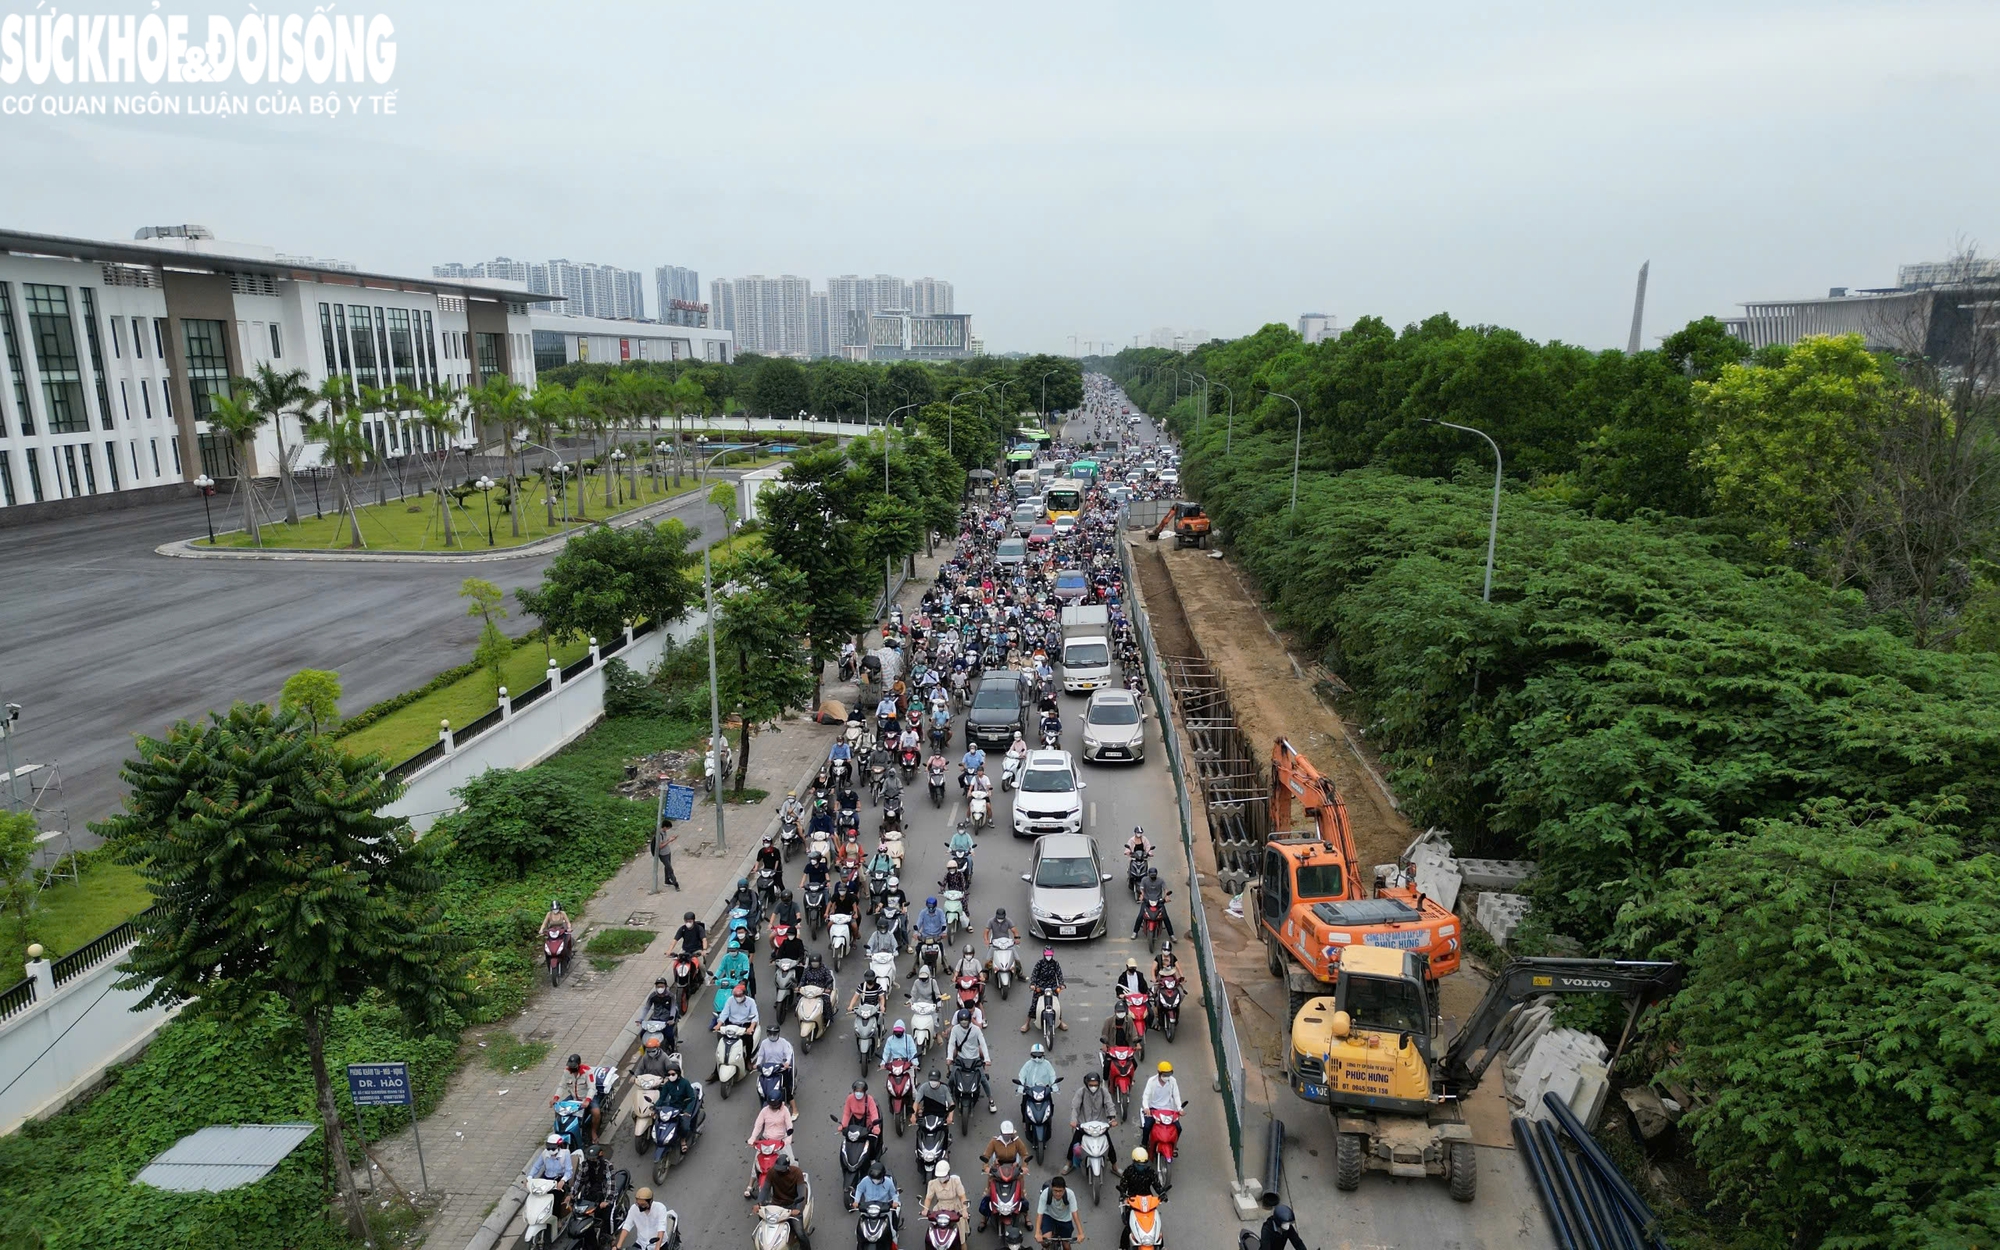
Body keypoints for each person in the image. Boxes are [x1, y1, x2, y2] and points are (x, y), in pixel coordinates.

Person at [759, 1151, 815, 1250]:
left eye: (782, 1170)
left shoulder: (797, 1173)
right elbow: (765, 1189)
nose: (779, 1172)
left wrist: (798, 1209)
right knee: (762, 1225)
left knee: (800, 1233)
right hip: (776, 1206)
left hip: (792, 1206)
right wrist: (759, 1203)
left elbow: (801, 1192)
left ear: (788, 1168)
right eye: (778, 1169)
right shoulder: (772, 1172)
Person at [1065, 1072, 1117, 1173]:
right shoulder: (1081, 1092)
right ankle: (1069, 1162)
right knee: (1074, 1142)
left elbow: (1109, 1105)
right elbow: (1075, 1107)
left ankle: (1115, 1166)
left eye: (1095, 1085)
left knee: (1109, 1145)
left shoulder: (1104, 1092)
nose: (1093, 1087)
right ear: (1086, 1084)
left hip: (1100, 1126)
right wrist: (1074, 1120)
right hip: (1084, 1125)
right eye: (1091, 1085)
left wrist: (1112, 1119)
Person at [948, 1008, 996, 1113]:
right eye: (962, 1021)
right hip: (961, 1058)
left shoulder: (976, 1030)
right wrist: (949, 1057)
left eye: (965, 1021)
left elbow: (983, 1043)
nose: (964, 1023)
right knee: (952, 1078)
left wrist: (987, 1059)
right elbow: (951, 1043)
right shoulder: (955, 1029)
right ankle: (948, 1098)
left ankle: (991, 1100)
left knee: (983, 1079)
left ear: (969, 1020)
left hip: (975, 1059)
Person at [746, 1097, 796, 1197]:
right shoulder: (764, 1111)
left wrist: (787, 1140)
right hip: (766, 1142)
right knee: (757, 1162)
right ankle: (750, 1185)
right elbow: (758, 1126)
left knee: (791, 1161)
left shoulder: (785, 1110)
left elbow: (789, 1126)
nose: (773, 1107)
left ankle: (794, 1184)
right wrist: (752, 1138)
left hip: (780, 1142)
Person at [552, 1052, 601, 1145]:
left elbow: (592, 1088)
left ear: (579, 1065)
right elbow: (562, 1086)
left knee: (596, 1112)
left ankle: (593, 1132)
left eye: (574, 1066)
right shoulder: (566, 1072)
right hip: (574, 1097)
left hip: (586, 1098)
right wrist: (555, 1098)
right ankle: (558, 1131)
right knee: (558, 1109)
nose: (572, 1068)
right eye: (570, 1066)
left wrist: (587, 1100)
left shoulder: (587, 1072)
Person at [655, 1059, 698, 1155]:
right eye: (669, 1074)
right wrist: (655, 1107)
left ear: (678, 1074)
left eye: (673, 1074)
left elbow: (692, 1098)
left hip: (683, 1108)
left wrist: (687, 1111)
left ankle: (683, 1140)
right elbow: (662, 1098)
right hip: (672, 1108)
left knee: (685, 1126)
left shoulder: (685, 1083)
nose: (671, 1076)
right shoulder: (667, 1085)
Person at [613, 1185, 676, 1250]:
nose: (640, 1207)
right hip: (641, 1244)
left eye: (643, 1205)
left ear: (650, 1201)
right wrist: (618, 1246)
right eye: (638, 1204)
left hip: (659, 1245)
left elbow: (661, 1228)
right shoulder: (634, 1209)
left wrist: (657, 1248)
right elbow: (627, 1226)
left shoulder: (660, 1208)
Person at [1023, 948, 1068, 1032]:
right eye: (1047, 954)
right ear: (1044, 954)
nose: (1048, 956)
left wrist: (1061, 984)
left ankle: (1060, 1021)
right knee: (1034, 1005)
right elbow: (1034, 974)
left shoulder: (1055, 964)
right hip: (1040, 986)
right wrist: (1033, 984)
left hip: (1052, 987)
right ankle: (1027, 1023)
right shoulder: (1039, 963)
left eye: (1050, 954)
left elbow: (1059, 974)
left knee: (1056, 1005)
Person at [757, 1022, 798, 1113]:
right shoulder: (764, 1043)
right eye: (770, 1034)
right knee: (762, 1087)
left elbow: (788, 1054)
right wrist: (757, 1064)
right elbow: (760, 1055)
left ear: (778, 1034)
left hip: (780, 1068)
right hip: (768, 1069)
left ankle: (794, 1109)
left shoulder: (783, 1042)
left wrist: (787, 1063)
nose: (772, 1036)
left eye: (774, 1034)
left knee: (787, 1088)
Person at [1138, 1062, 1182, 1147]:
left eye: (1169, 1074)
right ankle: (1144, 1144)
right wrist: (1146, 1108)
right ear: (1159, 1073)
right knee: (1147, 1127)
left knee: (1178, 1128)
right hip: (1154, 1109)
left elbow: (1176, 1095)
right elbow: (1146, 1095)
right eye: (1165, 1075)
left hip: (1168, 1110)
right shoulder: (1151, 1081)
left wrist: (1180, 1108)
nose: (1167, 1077)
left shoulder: (1173, 1081)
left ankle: (1174, 1145)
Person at [1035, 1174, 1084, 1245]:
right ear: (1051, 1188)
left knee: (1066, 1246)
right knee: (1045, 1243)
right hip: (1049, 1216)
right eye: (1055, 1190)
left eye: (1060, 1191)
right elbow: (1040, 1214)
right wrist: (1037, 1233)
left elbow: (1075, 1214)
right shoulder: (1045, 1193)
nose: (1058, 1194)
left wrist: (1081, 1233)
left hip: (1065, 1219)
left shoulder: (1070, 1194)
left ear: (1064, 1189)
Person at [1238, 1204, 1307, 1250]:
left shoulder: (1287, 1228)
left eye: (1289, 1223)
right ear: (1278, 1221)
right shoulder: (1266, 1230)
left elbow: (1297, 1242)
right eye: (1285, 1223)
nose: (1288, 1226)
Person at [924, 1159, 972, 1224]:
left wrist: (964, 1210)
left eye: (943, 1176)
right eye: (939, 1176)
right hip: (940, 1210)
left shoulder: (955, 1181)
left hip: (955, 1209)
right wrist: (925, 1209)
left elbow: (962, 1196)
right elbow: (928, 1198)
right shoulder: (932, 1183)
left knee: (959, 1226)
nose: (941, 1178)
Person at [527, 1132, 573, 1198]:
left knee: (556, 1199)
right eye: (548, 1148)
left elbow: (569, 1171)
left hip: (558, 1180)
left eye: (553, 1148)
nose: (550, 1150)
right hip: (546, 1179)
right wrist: (530, 1177)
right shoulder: (545, 1153)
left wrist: (563, 1180)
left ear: (559, 1146)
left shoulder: (565, 1154)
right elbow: (536, 1166)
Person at [840, 1078, 885, 1144]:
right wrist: (843, 1125)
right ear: (854, 1091)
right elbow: (846, 1113)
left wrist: (876, 1127)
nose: (858, 1093)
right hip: (854, 1123)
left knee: (871, 1143)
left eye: (861, 1091)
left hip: (867, 1124)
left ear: (864, 1092)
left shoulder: (869, 1099)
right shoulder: (849, 1098)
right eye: (857, 1091)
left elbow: (874, 1114)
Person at [1130, 870, 1174, 940]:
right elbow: (1142, 889)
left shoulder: (1160, 880)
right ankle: (1135, 932)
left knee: (1165, 917)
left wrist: (1166, 896)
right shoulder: (1144, 880)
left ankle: (1171, 935)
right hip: (1147, 901)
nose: (1153, 877)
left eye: (1154, 876)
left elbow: (1165, 889)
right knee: (1140, 916)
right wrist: (1141, 896)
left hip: (1158, 901)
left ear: (1156, 874)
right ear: (1149, 875)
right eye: (1151, 876)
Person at [1098, 1007, 1141, 1077]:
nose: (1121, 1013)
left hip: (1126, 1048)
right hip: (1112, 1047)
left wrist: (1137, 1043)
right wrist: (1104, 1045)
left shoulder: (1129, 1020)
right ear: (1115, 1011)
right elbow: (1104, 1034)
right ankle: (1105, 1081)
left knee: (1134, 1065)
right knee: (1107, 1065)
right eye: (1119, 1011)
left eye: (1122, 1011)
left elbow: (1133, 1033)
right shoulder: (1108, 1021)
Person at [655, 822, 681, 890]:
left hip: (667, 852)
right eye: (668, 828)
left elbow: (664, 841)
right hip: (663, 854)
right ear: (664, 827)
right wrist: (669, 841)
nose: (668, 830)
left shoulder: (664, 832)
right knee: (670, 869)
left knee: (667, 867)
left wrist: (670, 839)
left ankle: (667, 881)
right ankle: (676, 884)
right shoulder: (659, 835)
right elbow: (660, 846)